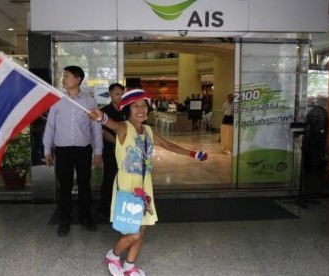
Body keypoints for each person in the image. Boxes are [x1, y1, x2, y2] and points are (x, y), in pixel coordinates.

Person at [88, 89, 208, 276]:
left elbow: (169, 145)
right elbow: (109, 123)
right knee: (132, 232)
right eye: (135, 106)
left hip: (144, 186)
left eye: (143, 105)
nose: (140, 109)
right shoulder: (123, 128)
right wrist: (101, 117)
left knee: (141, 229)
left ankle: (129, 265)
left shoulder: (149, 131)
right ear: (128, 110)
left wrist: (193, 154)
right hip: (127, 185)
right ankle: (113, 255)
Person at [43, 65, 103, 236]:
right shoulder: (56, 100)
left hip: (83, 151)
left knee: (85, 185)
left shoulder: (89, 101)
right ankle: (64, 220)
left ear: (78, 79)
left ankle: (85, 217)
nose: (63, 79)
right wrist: (47, 150)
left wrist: (98, 151)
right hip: (62, 151)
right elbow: (50, 127)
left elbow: (96, 128)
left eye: (67, 76)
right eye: (64, 76)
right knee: (64, 187)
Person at [99, 83, 125, 221]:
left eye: (122, 94)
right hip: (111, 150)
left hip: (127, 152)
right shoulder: (105, 111)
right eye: (117, 94)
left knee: (124, 180)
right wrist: (119, 143)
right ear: (110, 95)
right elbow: (103, 132)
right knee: (110, 178)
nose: (120, 96)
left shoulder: (127, 110)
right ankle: (105, 209)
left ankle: (122, 208)